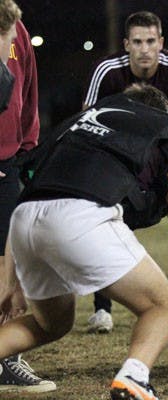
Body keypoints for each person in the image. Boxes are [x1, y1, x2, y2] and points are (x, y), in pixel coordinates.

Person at [0, 83, 168, 400]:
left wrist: (11, 280)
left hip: (25, 219)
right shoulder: (161, 126)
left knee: (50, 324)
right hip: (79, 215)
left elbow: (29, 189)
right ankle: (134, 379)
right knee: (161, 308)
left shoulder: (79, 122)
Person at [82, 11, 168, 334]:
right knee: (105, 222)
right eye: (137, 42)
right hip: (120, 162)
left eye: (151, 41)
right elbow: (88, 120)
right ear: (126, 44)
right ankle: (102, 308)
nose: (144, 49)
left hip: (165, 159)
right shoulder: (107, 72)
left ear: (161, 43)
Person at [0, 0, 57, 393]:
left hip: (7, 163)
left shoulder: (16, 27)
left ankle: (5, 359)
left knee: (6, 265)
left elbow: (28, 89)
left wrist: (26, 150)